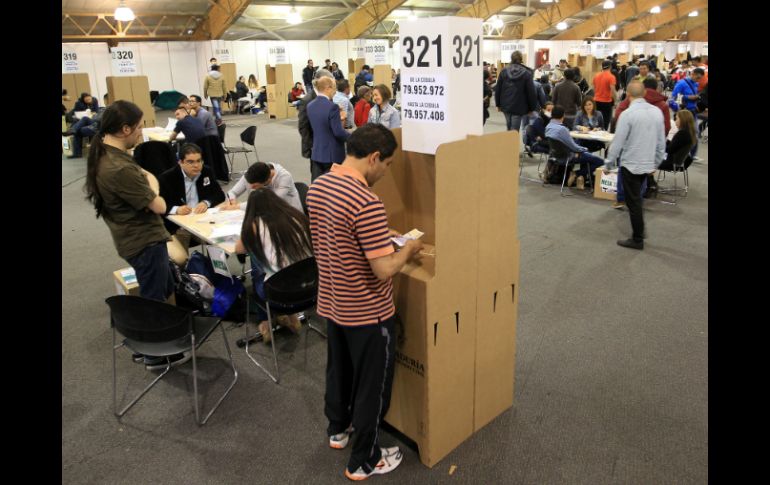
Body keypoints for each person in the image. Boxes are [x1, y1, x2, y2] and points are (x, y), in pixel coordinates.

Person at [306, 124, 422, 480]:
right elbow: (384, 269)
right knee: (373, 387)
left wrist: (378, 237)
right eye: (386, 164)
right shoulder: (366, 200)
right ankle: (364, 461)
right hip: (368, 311)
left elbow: (336, 237)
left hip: (333, 301)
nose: (386, 171)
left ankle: (338, 431)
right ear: (374, 158)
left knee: (338, 372)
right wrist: (409, 250)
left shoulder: (319, 185)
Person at [83, 100, 187, 370]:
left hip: (134, 237)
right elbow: (159, 205)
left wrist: (145, 178)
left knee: (161, 289)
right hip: (144, 241)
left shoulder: (107, 156)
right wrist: (152, 180)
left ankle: (148, 346)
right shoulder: (118, 168)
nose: (142, 132)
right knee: (154, 299)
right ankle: (154, 353)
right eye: (139, 127)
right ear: (124, 129)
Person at [235, 189, 312, 342]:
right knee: (285, 264)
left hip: (279, 292)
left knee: (256, 257)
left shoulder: (255, 225)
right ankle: (290, 315)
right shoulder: (297, 216)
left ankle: (265, 321)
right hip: (311, 287)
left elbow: (239, 250)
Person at [603, 81, 666, 250]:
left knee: (634, 202)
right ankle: (639, 230)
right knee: (637, 198)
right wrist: (657, 161)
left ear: (628, 96)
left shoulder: (628, 114)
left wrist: (609, 163)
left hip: (630, 163)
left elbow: (618, 142)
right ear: (645, 93)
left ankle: (637, 238)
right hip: (647, 163)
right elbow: (661, 142)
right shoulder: (657, 112)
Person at [158, 143, 225, 261]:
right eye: (190, 162)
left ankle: (212, 271)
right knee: (180, 259)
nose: (196, 165)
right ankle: (184, 275)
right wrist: (176, 210)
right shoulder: (167, 178)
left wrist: (206, 202)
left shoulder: (206, 171)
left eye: (199, 161)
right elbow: (159, 205)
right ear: (180, 162)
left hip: (202, 221)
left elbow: (219, 195)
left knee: (223, 243)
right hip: (178, 226)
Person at [545, 106, 605, 190]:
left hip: (555, 156)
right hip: (568, 156)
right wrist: (585, 149)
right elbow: (574, 147)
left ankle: (580, 177)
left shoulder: (548, 127)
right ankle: (577, 174)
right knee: (599, 161)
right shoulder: (563, 129)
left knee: (585, 155)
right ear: (563, 116)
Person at [307, 75, 351, 181]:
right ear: (328, 88)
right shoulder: (332, 107)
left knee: (318, 185)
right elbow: (338, 132)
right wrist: (353, 136)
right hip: (332, 154)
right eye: (334, 88)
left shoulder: (310, 106)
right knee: (333, 187)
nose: (335, 92)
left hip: (317, 152)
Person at [221, 161, 302, 212]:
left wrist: (237, 207)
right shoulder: (252, 174)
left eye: (255, 186)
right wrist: (232, 200)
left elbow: (269, 202)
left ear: (267, 181)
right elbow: (232, 192)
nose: (251, 187)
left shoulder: (284, 178)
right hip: (265, 213)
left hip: (288, 214)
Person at [297, 69, 335, 173]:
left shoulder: (327, 95)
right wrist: (312, 146)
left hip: (329, 146)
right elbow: (303, 127)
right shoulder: (307, 100)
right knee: (318, 178)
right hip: (316, 148)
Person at [494, 51, 537, 136]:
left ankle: (509, 146)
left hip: (505, 104)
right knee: (514, 131)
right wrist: (532, 108)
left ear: (511, 59)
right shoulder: (527, 73)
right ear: (521, 59)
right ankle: (511, 147)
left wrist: (498, 104)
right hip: (519, 106)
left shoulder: (504, 71)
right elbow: (531, 92)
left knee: (509, 128)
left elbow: (498, 88)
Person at [592, 60, 617, 130]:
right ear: (610, 67)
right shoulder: (611, 77)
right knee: (605, 121)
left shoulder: (596, 76)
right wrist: (616, 101)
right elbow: (613, 90)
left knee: (596, 120)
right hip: (606, 102)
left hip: (596, 101)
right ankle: (602, 136)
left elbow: (593, 88)